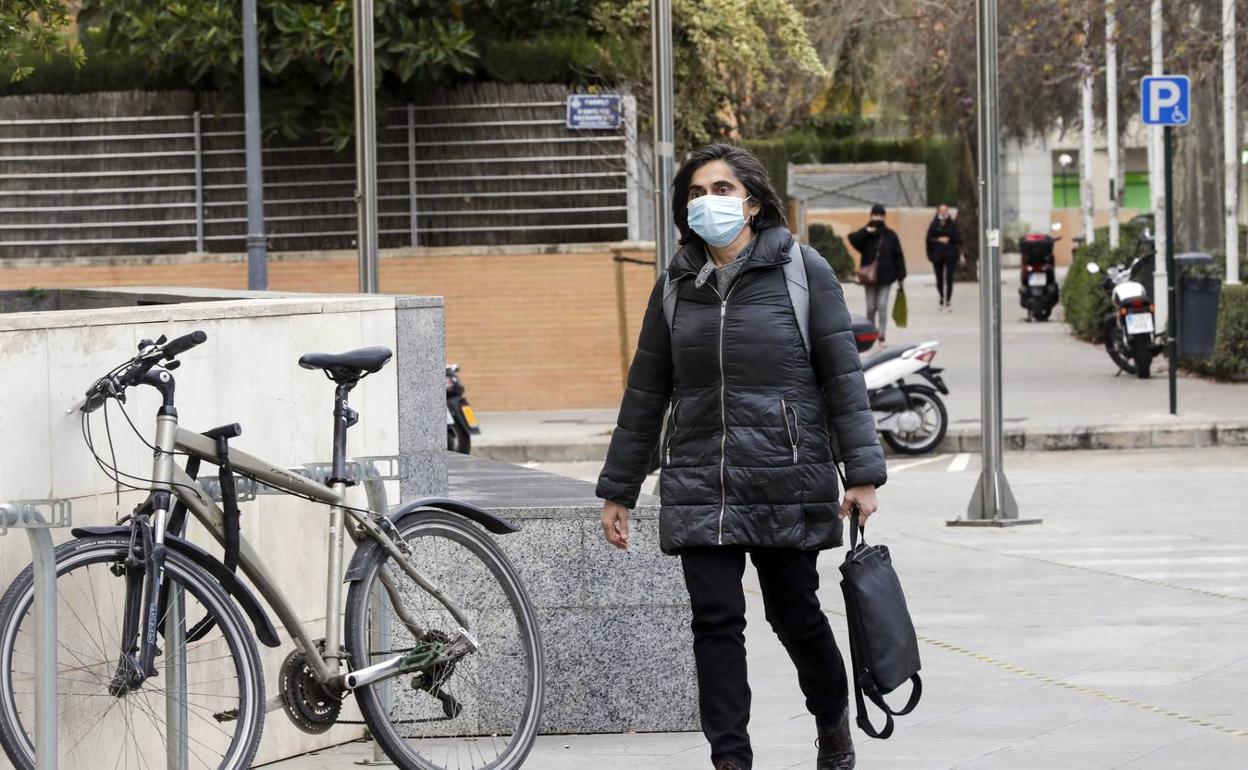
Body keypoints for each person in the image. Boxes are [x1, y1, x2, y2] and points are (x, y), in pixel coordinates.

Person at [596, 143, 888, 770]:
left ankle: (833, 724)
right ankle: (731, 760)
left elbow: (842, 377)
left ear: (752, 202)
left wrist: (861, 474)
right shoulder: (675, 285)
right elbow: (647, 390)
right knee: (715, 622)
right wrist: (619, 487)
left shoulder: (802, 271)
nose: (708, 202)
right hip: (700, 479)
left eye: (722, 190)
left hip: (786, 473)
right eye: (697, 193)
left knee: (795, 615)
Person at [847, 204, 906, 346]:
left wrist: (901, 277)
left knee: (882, 305)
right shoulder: (866, 235)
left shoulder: (890, 235)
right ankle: (871, 333)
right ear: (871, 216)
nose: (877, 218)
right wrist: (866, 231)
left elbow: (898, 256)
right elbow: (852, 239)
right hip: (869, 278)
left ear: (884, 217)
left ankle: (882, 336)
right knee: (870, 308)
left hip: (886, 277)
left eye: (880, 215)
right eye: (875, 215)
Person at [926, 204, 963, 311]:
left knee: (949, 277)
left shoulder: (952, 224)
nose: (943, 212)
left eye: (945, 210)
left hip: (950, 254)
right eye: (941, 210)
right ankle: (942, 297)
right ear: (938, 211)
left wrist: (949, 239)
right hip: (937, 255)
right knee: (939, 278)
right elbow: (929, 239)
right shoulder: (933, 224)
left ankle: (948, 300)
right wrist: (938, 240)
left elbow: (958, 239)